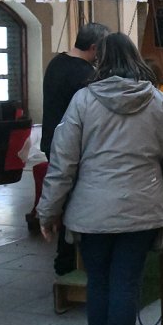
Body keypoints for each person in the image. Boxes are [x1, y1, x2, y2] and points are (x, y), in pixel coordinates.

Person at [37, 32, 163, 325]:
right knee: (126, 285)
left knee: (99, 283)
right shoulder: (159, 103)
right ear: (134, 59)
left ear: (101, 61)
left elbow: (63, 163)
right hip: (142, 211)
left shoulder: (83, 101)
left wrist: (48, 212)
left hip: (92, 214)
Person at [39, 22, 110, 276]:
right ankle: (68, 261)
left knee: (65, 199)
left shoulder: (57, 63)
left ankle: (66, 260)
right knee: (73, 203)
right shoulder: (83, 75)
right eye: (102, 49)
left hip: (52, 141)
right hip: (70, 147)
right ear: (93, 47)